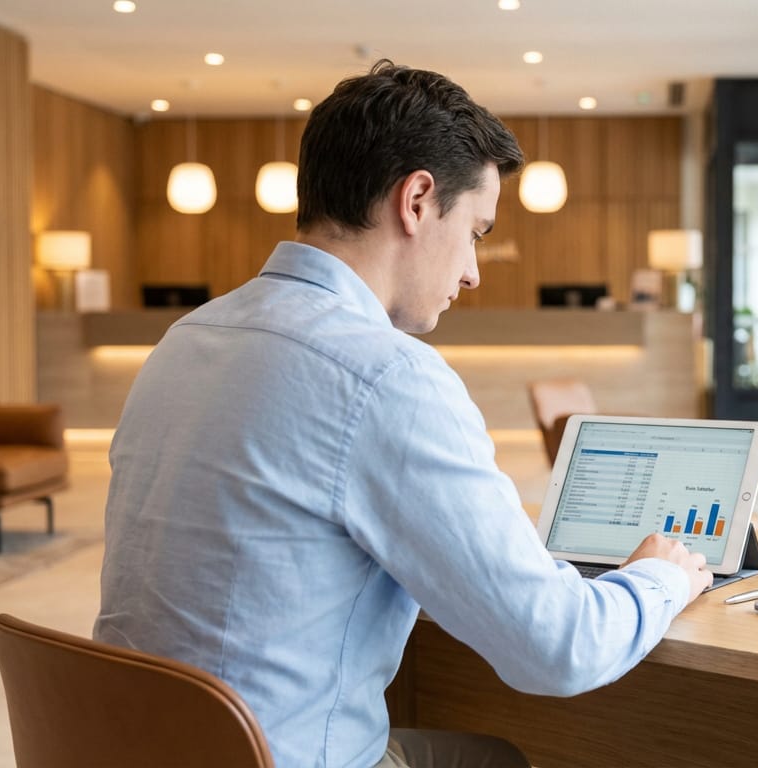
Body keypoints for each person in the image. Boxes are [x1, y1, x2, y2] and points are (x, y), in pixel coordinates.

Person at [93, 60, 713, 768]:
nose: (475, 272)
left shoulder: (188, 338)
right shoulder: (384, 375)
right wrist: (662, 573)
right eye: (477, 231)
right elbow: (558, 647)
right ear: (417, 200)